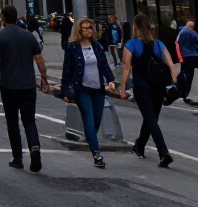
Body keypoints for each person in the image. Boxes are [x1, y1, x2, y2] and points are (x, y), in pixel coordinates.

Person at [0, 4, 50, 173]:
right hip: (28, 84)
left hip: (9, 84)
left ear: (2, 18)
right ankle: (35, 148)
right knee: (29, 120)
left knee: (12, 121)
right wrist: (44, 78)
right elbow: (39, 59)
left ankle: (17, 157)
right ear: (16, 17)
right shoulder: (28, 36)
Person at [120, 13, 178, 167]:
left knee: (150, 119)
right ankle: (139, 146)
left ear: (135, 27)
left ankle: (164, 153)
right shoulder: (159, 44)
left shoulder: (131, 44)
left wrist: (122, 88)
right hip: (158, 87)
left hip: (141, 87)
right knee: (151, 119)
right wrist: (174, 77)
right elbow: (170, 63)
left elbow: (126, 68)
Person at [59, 16, 116, 168]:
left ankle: (91, 139)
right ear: (79, 30)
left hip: (98, 89)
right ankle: (96, 153)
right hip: (82, 89)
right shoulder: (72, 47)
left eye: (90, 28)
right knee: (89, 118)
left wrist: (110, 80)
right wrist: (65, 90)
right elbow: (67, 70)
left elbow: (103, 65)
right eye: (85, 28)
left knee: (97, 119)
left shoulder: (96, 46)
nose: (88, 30)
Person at [174, 19, 198, 103]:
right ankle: (183, 92)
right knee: (188, 76)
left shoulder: (181, 33)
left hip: (185, 57)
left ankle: (183, 93)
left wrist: (179, 57)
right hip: (194, 56)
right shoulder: (194, 33)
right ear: (191, 26)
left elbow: (177, 45)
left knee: (186, 75)